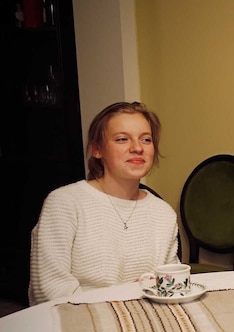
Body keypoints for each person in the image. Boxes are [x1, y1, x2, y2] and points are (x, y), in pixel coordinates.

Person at [29, 102, 179, 305]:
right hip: (79, 322)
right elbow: (49, 288)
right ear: (97, 149)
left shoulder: (163, 213)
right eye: (122, 139)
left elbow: (170, 281)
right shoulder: (64, 203)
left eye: (146, 139)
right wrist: (126, 298)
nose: (137, 148)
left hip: (147, 319)